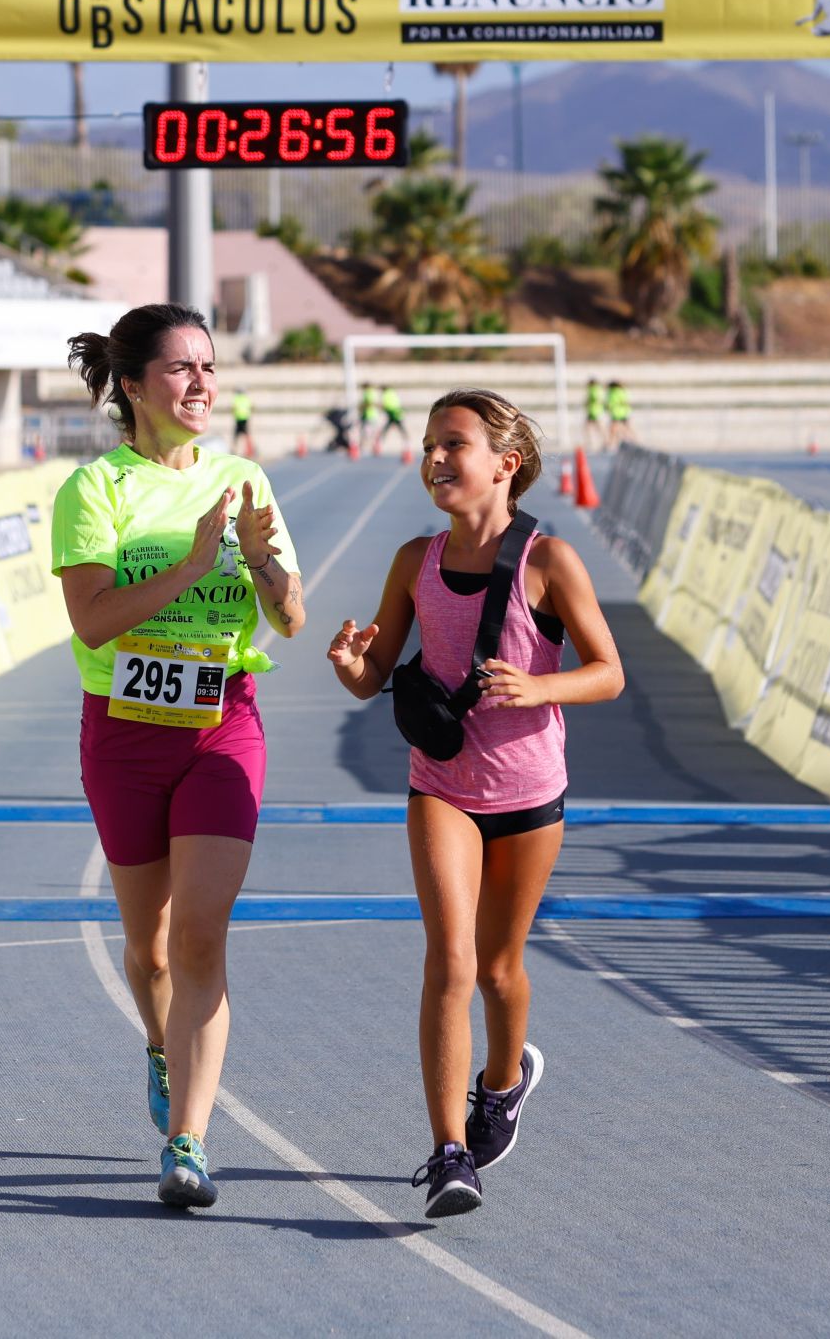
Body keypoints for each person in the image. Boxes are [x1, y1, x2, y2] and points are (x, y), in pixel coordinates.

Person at [326, 388, 624, 1218]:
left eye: (454, 444)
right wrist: (350, 662)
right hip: (443, 786)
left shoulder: (550, 563)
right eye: (428, 444)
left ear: (507, 463)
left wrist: (540, 686)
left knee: (500, 969)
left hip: (530, 794)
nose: (435, 459)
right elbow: (372, 674)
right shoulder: (412, 561)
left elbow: (609, 671)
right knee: (451, 962)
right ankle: (450, 1150)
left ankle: (504, 1080)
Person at [52, 303, 307, 1210]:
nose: (203, 384)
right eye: (181, 369)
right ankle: (160, 1045)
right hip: (123, 733)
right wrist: (194, 566)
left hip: (222, 725)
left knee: (203, 933)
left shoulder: (243, 480)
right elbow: (92, 619)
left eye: (210, 367)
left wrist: (260, 564)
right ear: (132, 385)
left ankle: (187, 1142)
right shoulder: (95, 491)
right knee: (150, 950)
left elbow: (290, 616)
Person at [377, 384, 409, 455]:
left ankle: (380, 443)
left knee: (388, 428)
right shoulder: (392, 392)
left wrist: (381, 409)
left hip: (393, 413)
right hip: (397, 412)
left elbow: (385, 404)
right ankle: (406, 443)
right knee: (399, 428)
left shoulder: (385, 394)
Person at [605, 379, 636, 450]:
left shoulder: (612, 393)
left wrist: (610, 407)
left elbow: (611, 403)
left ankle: (611, 444)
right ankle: (632, 441)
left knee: (614, 429)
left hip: (617, 413)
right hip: (623, 412)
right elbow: (625, 402)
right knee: (625, 428)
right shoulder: (621, 391)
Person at [583, 378, 605, 450]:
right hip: (594, 411)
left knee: (597, 428)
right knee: (589, 427)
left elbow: (596, 399)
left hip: (594, 411)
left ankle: (594, 443)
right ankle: (591, 443)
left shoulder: (593, 390)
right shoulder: (598, 389)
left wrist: (588, 402)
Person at [231, 388, 254, 457]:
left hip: (238, 419)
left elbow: (234, 408)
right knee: (246, 436)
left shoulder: (236, 398)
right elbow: (250, 408)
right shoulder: (246, 398)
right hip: (245, 419)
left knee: (236, 436)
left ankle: (234, 451)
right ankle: (249, 451)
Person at [360, 382, 382, 453]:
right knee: (371, 432)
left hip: (369, 415)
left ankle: (366, 447)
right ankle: (374, 447)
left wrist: (362, 406)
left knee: (367, 432)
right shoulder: (372, 392)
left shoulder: (368, 393)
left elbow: (370, 403)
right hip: (372, 415)